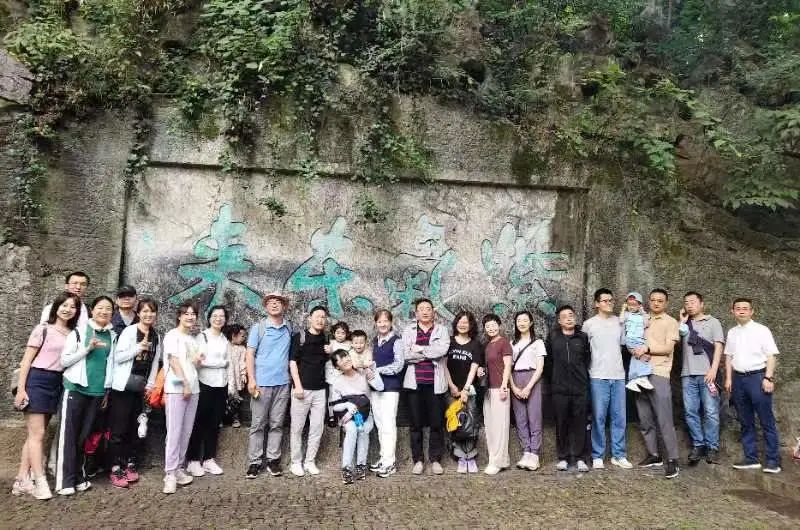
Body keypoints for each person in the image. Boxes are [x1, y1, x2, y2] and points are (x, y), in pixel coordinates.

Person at [12, 291, 80, 500]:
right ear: (56, 307)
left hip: (57, 382)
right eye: (64, 305)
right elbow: (26, 361)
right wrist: (21, 389)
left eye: (72, 306)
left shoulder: (74, 334)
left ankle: (21, 480)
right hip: (37, 380)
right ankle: (40, 481)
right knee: (38, 433)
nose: (67, 309)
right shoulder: (42, 329)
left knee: (34, 435)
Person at [55, 295, 116, 496]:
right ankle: (64, 481)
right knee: (69, 436)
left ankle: (79, 477)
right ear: (92, 310)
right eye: (100, 308)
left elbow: (110, 364)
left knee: (84, 437)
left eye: (108, 309)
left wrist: (106, 390)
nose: (104, 312)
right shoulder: (79, 332)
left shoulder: (112, 336)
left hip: (97, 392)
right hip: (75, 388)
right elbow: (64, 361)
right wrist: (87, 349)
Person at [106, 297, 162, 489]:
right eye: (145, 311)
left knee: (135, 428)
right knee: (119, 428)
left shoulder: (156, 336)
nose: (148, 315)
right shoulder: (130, 332)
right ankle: (115, 467)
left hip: (141, 388)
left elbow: (155, 362)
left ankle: (130, 463)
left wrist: (151, 385)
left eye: (152, 311)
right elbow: (118, 357)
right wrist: (138, 347)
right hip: (123, 387)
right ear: (138, 313)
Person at [724, 298, 781, 474]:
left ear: (751, 311)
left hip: (758, 377)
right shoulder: (732, 332)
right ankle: (751, 458)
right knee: (745, 420)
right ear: (732, 311)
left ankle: (773, 461)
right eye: (738, 308)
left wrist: (768, 378)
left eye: (745, 308)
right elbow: (728, 357)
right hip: (738, 379)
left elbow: (771, 356)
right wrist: (729, 379)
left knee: (766, 420)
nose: (741, 311)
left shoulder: (762, 330)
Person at [632, 288, 681, 479]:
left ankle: (673, 460)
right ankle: (654, 454)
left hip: (658, 373)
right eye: (653, 300)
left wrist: (647, 348)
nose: (656, 303)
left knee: (664, 419)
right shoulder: (641, 319)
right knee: (644, 418)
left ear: (666, 303)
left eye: (660, 300)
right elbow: (632, 340)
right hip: (639, 373)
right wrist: (635, 350)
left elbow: (668, 348)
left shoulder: (671, 322)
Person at [582, 288, 632, 470]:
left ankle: (619, 454)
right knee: (598, 417)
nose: (609, 303)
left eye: (611, 300)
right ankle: (598, 455)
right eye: (605, 300)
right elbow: (583, 350)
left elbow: (627, 344)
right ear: (597, 303)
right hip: (597, 376)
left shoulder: (619, 322)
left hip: (618, 375)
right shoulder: (589, 325)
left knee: (619, 417)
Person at [400, 298, 451, 475]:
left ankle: (435, 459)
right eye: (421, 309)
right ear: (416, 313)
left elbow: (442, 351)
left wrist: (420, 349)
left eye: (428, 309)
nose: (425, 312)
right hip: (414, 384)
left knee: (437, 423)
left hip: (435, 384)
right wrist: (429, 352)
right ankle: (418, 460)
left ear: (433, 312)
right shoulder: (409, 330)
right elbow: (406, 355)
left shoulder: (442, 330)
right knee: (416, 424)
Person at [245, 292, 292, 479]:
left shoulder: (289, 328)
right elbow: (250, 354)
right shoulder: (258, 328)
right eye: (270, 302)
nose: (274, 304)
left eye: (278, 302)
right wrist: (251, 379)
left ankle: (273, 460)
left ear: (284, 306)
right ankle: (254, 462)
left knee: (277, 424)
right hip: (262, 383)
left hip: (283, 383)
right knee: (257, 424)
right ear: (265, 307)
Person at [679, 291, 725, 466]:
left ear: (701, 304)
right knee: (690, 411)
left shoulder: (713, 322)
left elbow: (718, 347)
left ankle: (712, 447)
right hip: (687, 374)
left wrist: (713, 370)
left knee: (711, 411)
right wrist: (682, 322)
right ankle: (699, 445)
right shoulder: (684, 325)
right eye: (686, 302)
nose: (689, 305)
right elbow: (676, 342)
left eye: (693, 302)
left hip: (707, 374)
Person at [162, 302, 204, 494]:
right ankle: (170, 473)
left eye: (193, 314)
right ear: (179, 316)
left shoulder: (192, 339)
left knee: (186, 432)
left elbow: (192, 364)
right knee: (174, 431)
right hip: (176, 388)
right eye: (186, 313)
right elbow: (173, 361)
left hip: (193, 389)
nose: (190, 317)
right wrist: (185, 383)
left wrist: (197, 362)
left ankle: (179, 467)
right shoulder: (172, 335)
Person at [545, 305, 591, 472]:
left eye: (571, 315)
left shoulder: (582, 337)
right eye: (564, 316)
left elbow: (587, 359)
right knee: (561, 423)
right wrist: (554, 380)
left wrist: (582, 378)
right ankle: (563, 457)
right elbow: (548, 362)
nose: (569, 318)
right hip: (559, 388)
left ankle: (580, 458)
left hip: (580, 388)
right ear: (559, 321)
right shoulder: (553, 337)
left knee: (580, 423)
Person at [186, 305, 231, 477]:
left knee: (214, 423)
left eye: (222, 316)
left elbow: (228, 362)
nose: (218, 319)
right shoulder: (201, 337)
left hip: (221, 385)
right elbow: (198, 361)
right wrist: (220, 364)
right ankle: (193, 460)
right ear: (209, 318)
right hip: (204, 384)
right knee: (199, 422)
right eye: (215, 315)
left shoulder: (224, 339)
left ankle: (209, 459)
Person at [288, 305, 329, 477]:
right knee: (297, 428)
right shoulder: (300, 337)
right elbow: (292, 362)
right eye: (317, 316)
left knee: (317, 428)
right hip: (302, 389)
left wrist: (331, 351)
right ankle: (295, 462)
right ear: (310, 318)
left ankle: (310, 461)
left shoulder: (326, 338)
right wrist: (297, 385)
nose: (320, 319)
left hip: (320, 390)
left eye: (323, 317)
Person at [444, 310, 482, 474]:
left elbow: (474, 367)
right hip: (451, 390)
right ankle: (460, 457)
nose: (462, 324)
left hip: (469, 390)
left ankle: (471, 457)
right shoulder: (449, 342)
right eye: (460, 321)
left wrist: (465, 389)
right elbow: (443, 365)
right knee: (456, 423)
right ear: (456, 324)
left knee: (470, 424)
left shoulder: (475, 344)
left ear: (471, 325)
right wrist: (452, 386)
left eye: (466, 322)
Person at [329, 350, 374, 484]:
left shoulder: (363, 375)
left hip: (366, 413)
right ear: (337, 366)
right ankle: (346, 468)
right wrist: (348, 405)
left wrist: (369, 370)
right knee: (352, 429)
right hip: (347, 417)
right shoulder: (337, 381)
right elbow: (335, 406)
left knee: (363, 429)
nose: (345, 360)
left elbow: (370, 398)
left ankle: (361, 465)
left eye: (346, 356)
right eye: (341, 359)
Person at [369, 309, 404, 478]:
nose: (382, 324)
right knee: (380, 425)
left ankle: (390, 463)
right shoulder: (374, 341)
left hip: (390, 388)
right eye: (379, 321)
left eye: (385, 321)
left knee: (389, 425)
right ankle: (383, 458)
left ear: (391, 322)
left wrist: (378, 370)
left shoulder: (396, 341)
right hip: (375, 388)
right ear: (376, 323)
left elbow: (398, 365)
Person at [510, 310, 546, 471]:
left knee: (534, 417)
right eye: (519, 320)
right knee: (520, 418)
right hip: (515, 378)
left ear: (531, 323)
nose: (522, 323)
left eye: (525, 320)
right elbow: (508, 367)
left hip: (533, 379)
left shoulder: (538, 342)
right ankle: (526, 451)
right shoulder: (512, 344)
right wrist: (513, 386)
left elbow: (540, 367)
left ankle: (535, 454)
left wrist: (528, 387)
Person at [482, 313, 512, 475]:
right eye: (487, 326)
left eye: (493, 325)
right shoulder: (487, 345)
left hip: (500, 388)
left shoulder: (504, 343)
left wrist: (504, 385)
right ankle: (500, 459)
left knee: (500, 427)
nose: (491, 328)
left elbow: (508, 366)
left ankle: (497, 462)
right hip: (488, 389)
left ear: (499, 325)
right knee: (491, 426)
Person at [621, 292, 654, 392]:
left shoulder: (642, 316)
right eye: (629, 304)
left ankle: (634, 380)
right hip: (631, 340)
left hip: (640, 340)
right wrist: (623, 309)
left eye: (634, 305)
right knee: (642, 357)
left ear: (639, 305)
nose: (631, 307)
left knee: (638, 358)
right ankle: (641, 377)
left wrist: (642, 311)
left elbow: (647, 324)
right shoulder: (626, 315)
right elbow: (621, 320)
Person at [225, 324, 248, 428]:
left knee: (235, 398)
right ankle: (221, 418)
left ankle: (235, 418)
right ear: (233, 335)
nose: (244, 338)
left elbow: (243, 362)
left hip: (235, 376)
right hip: (225, 376)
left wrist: (243, 374)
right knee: (223, 398)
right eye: (242, 336)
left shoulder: (242, 349)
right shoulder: (225, 345)